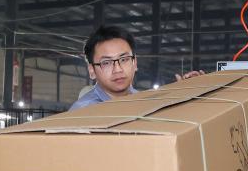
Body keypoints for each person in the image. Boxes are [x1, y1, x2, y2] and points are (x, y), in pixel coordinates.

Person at [70, 25, 203, 110]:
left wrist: (187, 99)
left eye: (124, 59)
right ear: (92, 71)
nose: (118, 69)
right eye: (106, 63)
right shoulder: (83, 112)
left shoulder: (145, 102)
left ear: (135, 63)